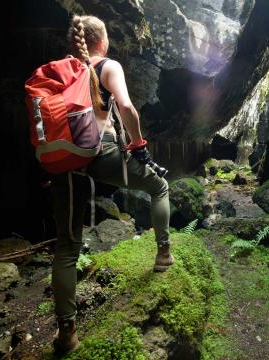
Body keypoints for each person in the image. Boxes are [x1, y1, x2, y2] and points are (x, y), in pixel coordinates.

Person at [49, 14, 174, 354]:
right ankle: (163, 254)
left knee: (66, 247)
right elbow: (128, 107)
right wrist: (138, 144)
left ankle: (67, 334)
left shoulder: (58, 71)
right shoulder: (106, 65)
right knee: (160, 188)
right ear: (102, 41)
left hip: (64, 161)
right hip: (101, 154)